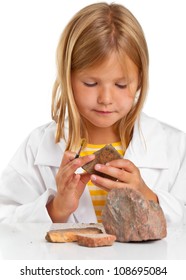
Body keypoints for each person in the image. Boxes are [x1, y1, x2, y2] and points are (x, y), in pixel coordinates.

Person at [0, 2, 185, 226]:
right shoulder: (38, 146)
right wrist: (56, 208)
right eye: (90, 83)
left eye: (120, 84)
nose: (105, 98)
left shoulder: (175, 147)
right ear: (68, 78)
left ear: (140, 82)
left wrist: (147, 196)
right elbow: (5, 221)